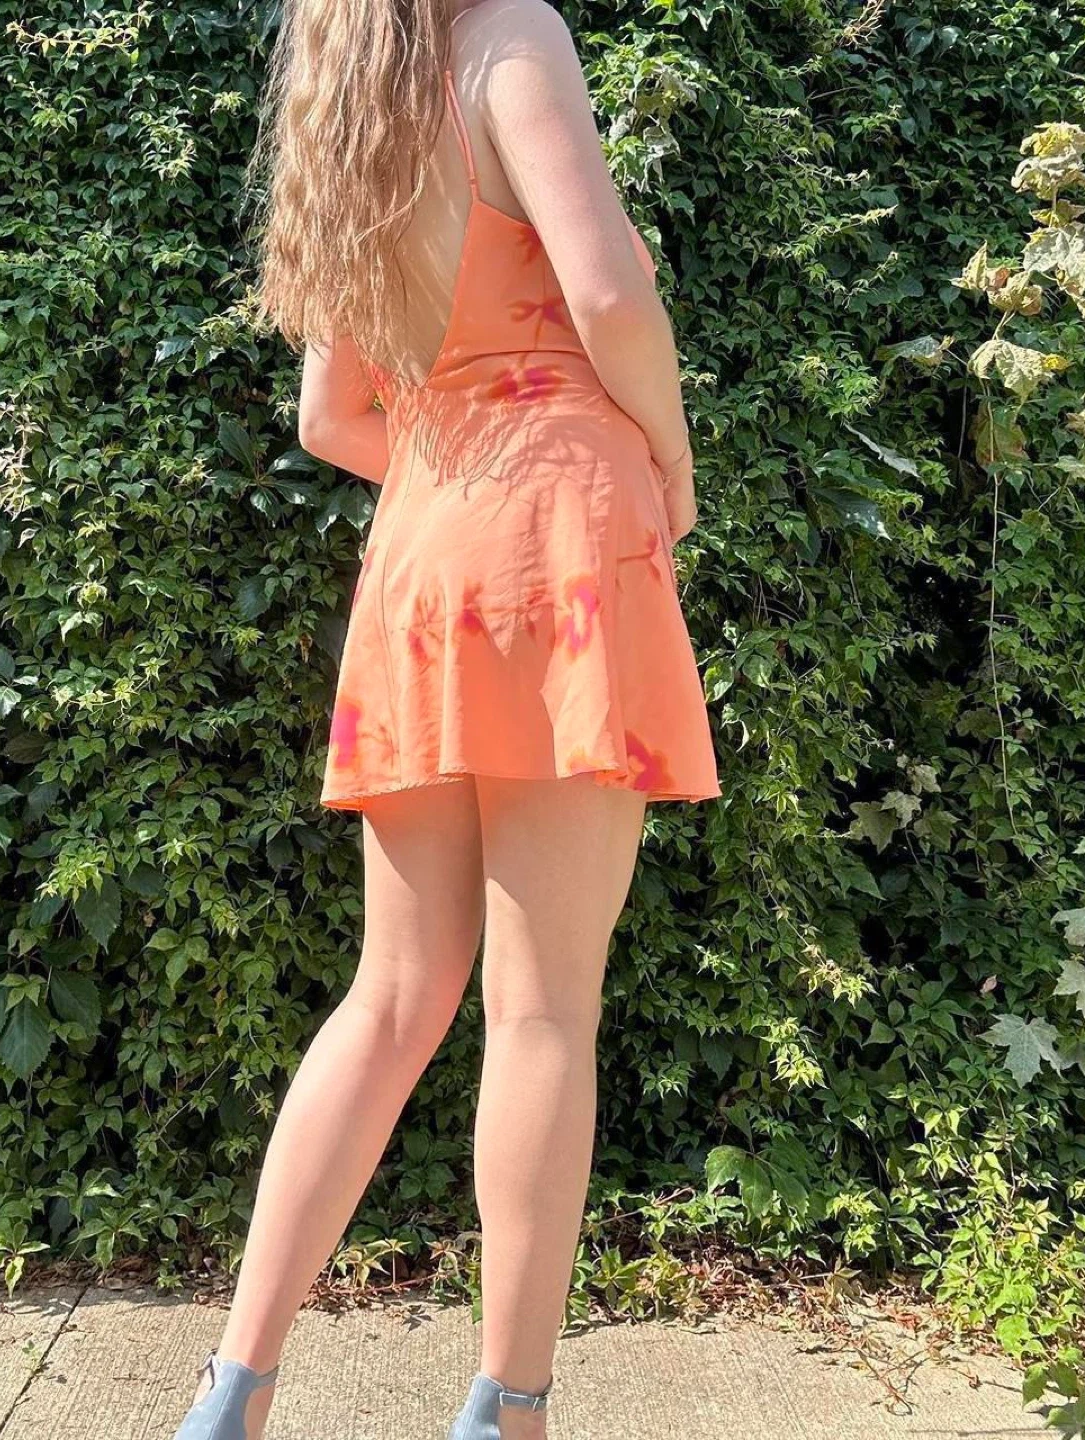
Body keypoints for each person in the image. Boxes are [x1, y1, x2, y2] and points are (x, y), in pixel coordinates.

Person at [173, 0, 719, 1434]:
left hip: (424, 546)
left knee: (393, 995)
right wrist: (666, 463)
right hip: (561, 537)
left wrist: (460, 459)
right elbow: (609, 295)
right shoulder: (510, 36)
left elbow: (329, 416)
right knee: (540, 1010)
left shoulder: (354, 100)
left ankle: (231, 1392)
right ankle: (506, 1412)